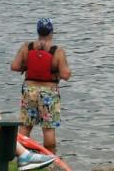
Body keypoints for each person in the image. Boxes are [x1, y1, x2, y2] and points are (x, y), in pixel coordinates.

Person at [10, 18, 71, 154]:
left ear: (38, 31)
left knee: (26, 126)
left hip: (29, 90)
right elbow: (66, 74)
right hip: (49, 92)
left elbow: (14, 66)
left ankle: (21, 155)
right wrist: (56, 73)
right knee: (48, 129)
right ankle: (50, 159)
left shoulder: (27, 47)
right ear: (51, 32)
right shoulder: (57, 51)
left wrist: (27, 66)